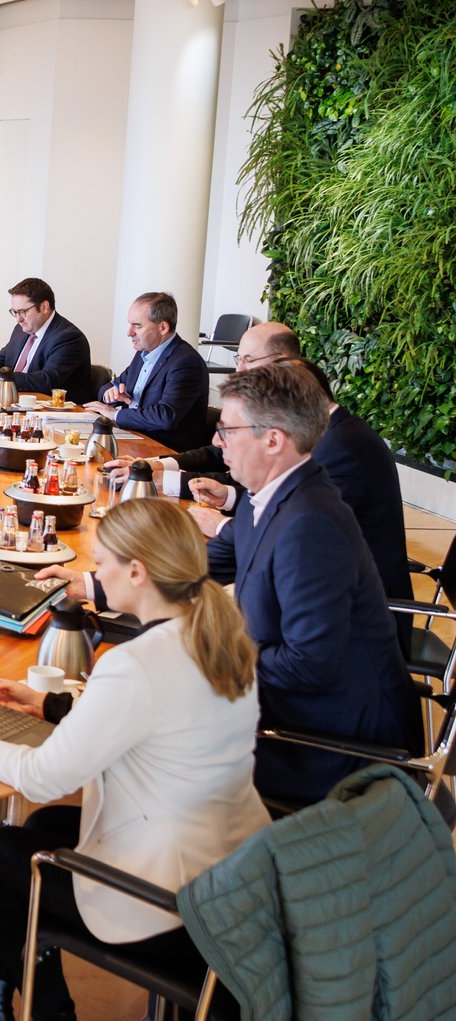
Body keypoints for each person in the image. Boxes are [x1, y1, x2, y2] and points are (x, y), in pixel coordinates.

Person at [0, 498, 270, 1021]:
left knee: (2, 855)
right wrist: (47, 704)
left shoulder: (134, 663)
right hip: (234, 880)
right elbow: (153, 717)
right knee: (46, 828)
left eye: (103, 564)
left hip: (173, 907)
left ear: (137, 572)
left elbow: (43, 776)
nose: (96, 576)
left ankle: (48, 1013)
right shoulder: (219, 634)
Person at [193, 363, 416, 804]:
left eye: (227, 430)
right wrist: (98, 583)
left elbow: (309, 665)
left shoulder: (310, 524)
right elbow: (205, 562)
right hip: (297, 710)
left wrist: (209, 658)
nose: (218, 442)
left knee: (169, 754)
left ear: (273, 440)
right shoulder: (266, 495)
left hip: (336, 746)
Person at [106, 323, 410, 602]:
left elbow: (288, 538)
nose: (239, 371)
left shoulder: (342, 448)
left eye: (248, 361)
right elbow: (257, 524)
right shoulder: (315, 436)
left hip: (351, 603)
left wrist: (222, 525)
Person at [82, 292, 210, 451]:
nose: (129, 333)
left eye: (137, 326)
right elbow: (109, 387)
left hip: (164, 449)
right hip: (132, 439)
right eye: (130, 325)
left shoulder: (186, 362)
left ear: (162, 328)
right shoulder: (143, 354)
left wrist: (115, 415)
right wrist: (111, 394)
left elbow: (166, 416)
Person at [0, 278, 94, 399]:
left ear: (44, 307)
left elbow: (47, 380)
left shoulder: (68, 337)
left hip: (54, 408)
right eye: (15, 312)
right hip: (16, 401)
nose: (18, 319)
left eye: (22, 312)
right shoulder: (21, 330)